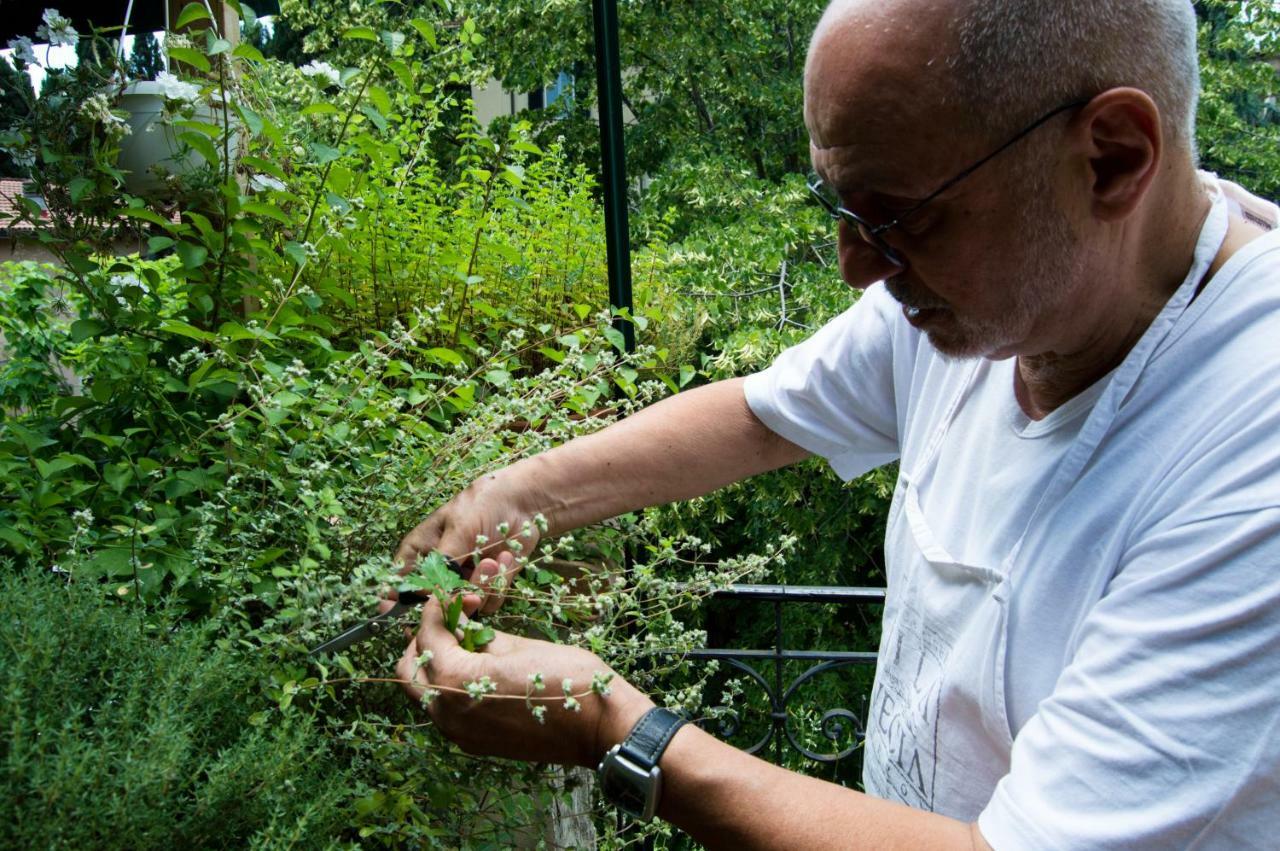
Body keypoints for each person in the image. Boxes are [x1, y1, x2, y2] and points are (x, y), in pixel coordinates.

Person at [393, 0, 1280, 846]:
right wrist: (513, 496)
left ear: (1113, 160)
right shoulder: (990, 296)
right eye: (842, 208)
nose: (857, 268)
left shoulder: (1248, 449)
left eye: (896, 217)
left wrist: (609, 721)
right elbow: (762, 417)